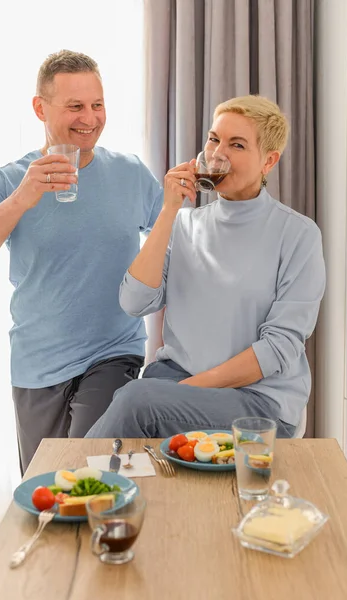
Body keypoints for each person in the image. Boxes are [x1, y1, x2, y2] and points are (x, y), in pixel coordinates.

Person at [0, 50, 163, 472]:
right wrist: (22, 198)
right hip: (37, 367)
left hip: (114, 355)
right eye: (75, 106)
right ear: (41, 108)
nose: (89, 118)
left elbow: (181, 240)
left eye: (97, 104)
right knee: (46, 494)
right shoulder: (8, 180)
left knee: (90, 473)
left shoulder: (129, 174)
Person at [86, 95, 325, 440]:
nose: (217, 154)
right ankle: (91, 486)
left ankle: (72, 487)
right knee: (139, 410)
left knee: (137, 401)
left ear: (268, 161)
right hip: (174, 382)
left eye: (237, 145)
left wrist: (185, 391)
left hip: (257, 401)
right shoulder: (183, 225)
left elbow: (278, 348)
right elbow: (134, 303)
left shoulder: (297, 235)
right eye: (214, 139)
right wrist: (168, 212)